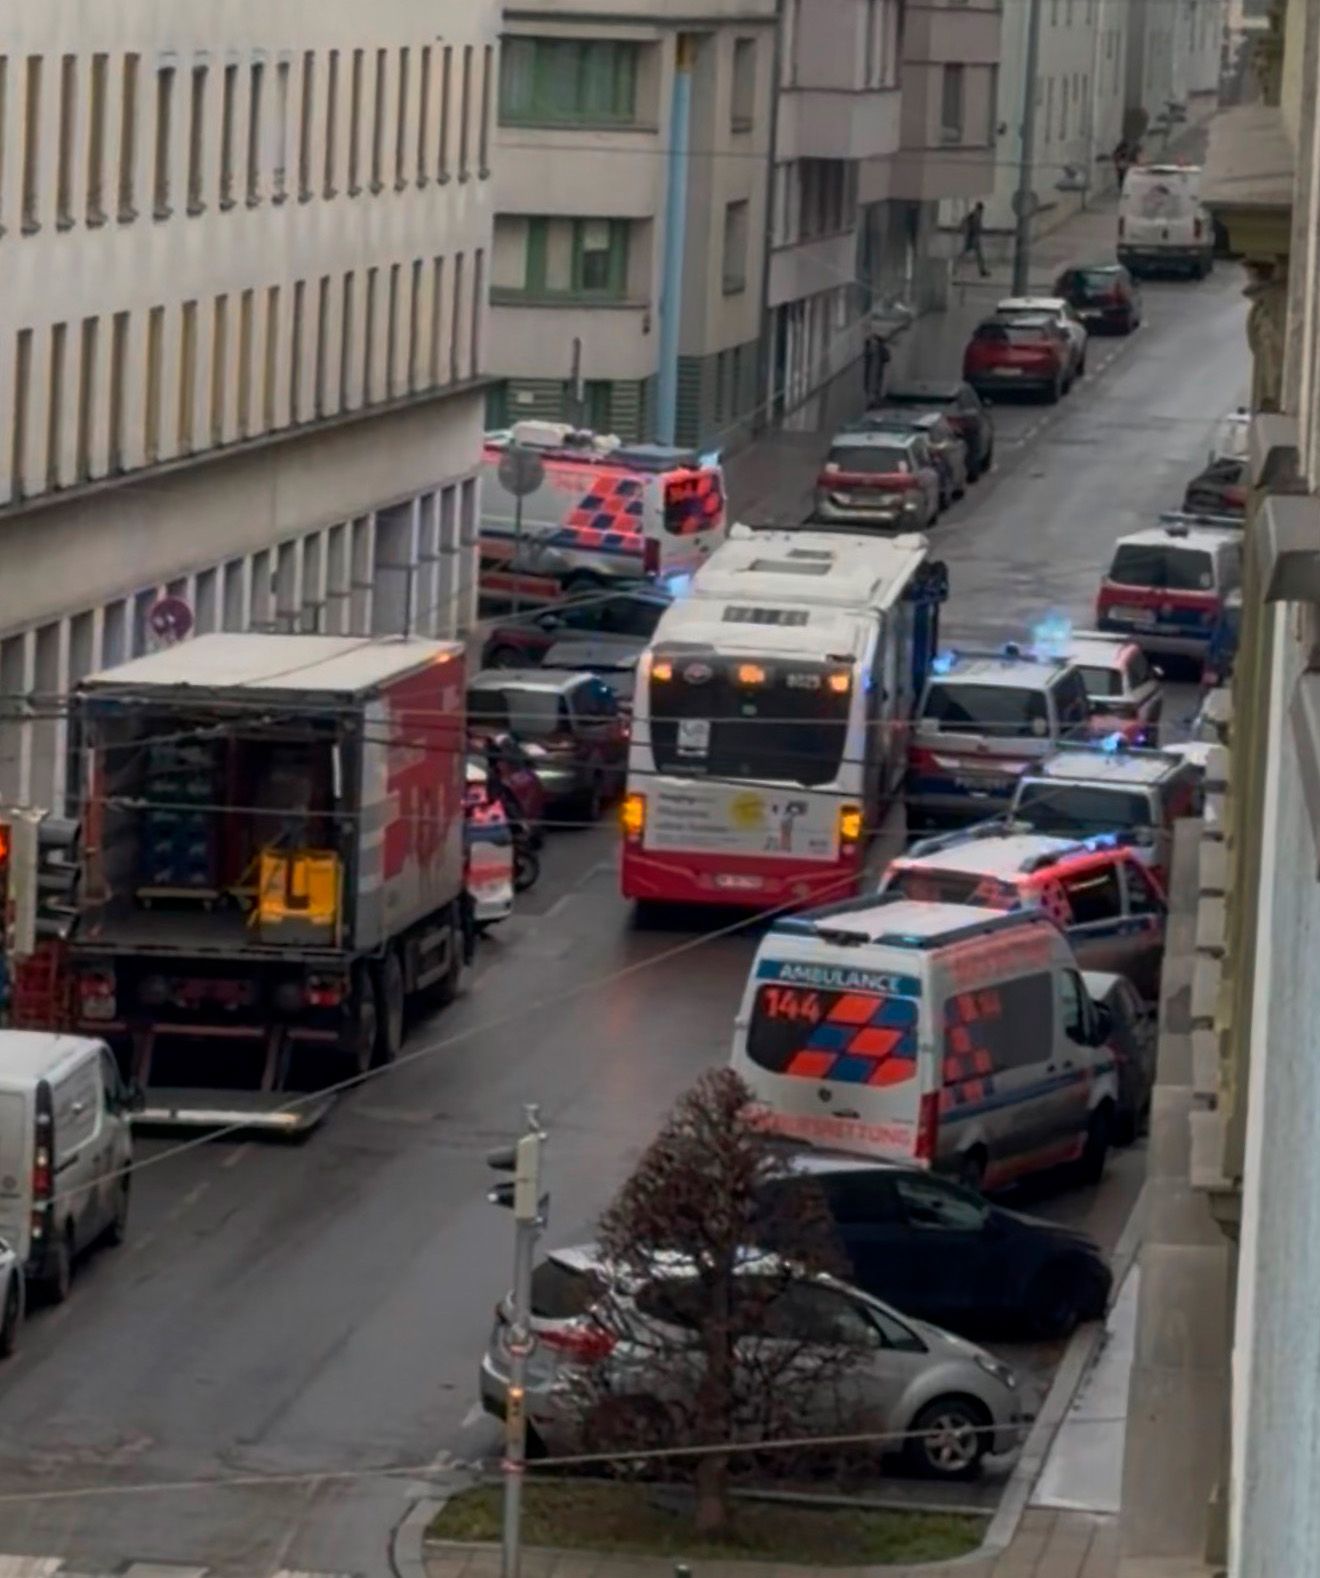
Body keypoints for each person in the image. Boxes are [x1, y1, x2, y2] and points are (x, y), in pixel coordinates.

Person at [960, 201, 989, 278]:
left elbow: (964, 222)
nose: (982, 212)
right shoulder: (975, 215)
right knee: (967, 253)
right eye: (981, 210)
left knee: (978, 255)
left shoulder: (973, 215)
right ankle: (982, 271)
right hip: (972, 238)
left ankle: (982, 271)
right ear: (980, 209)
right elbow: (968, 224)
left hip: (973, 238)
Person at [863, 329, 890, 406]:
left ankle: (873, 400)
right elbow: (887, 358)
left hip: (874, 370)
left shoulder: (876, 349)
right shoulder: (878, 349)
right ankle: (874, 400)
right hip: (875, 370)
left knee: (872, 384)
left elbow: (887, 358)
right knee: (875, 384)